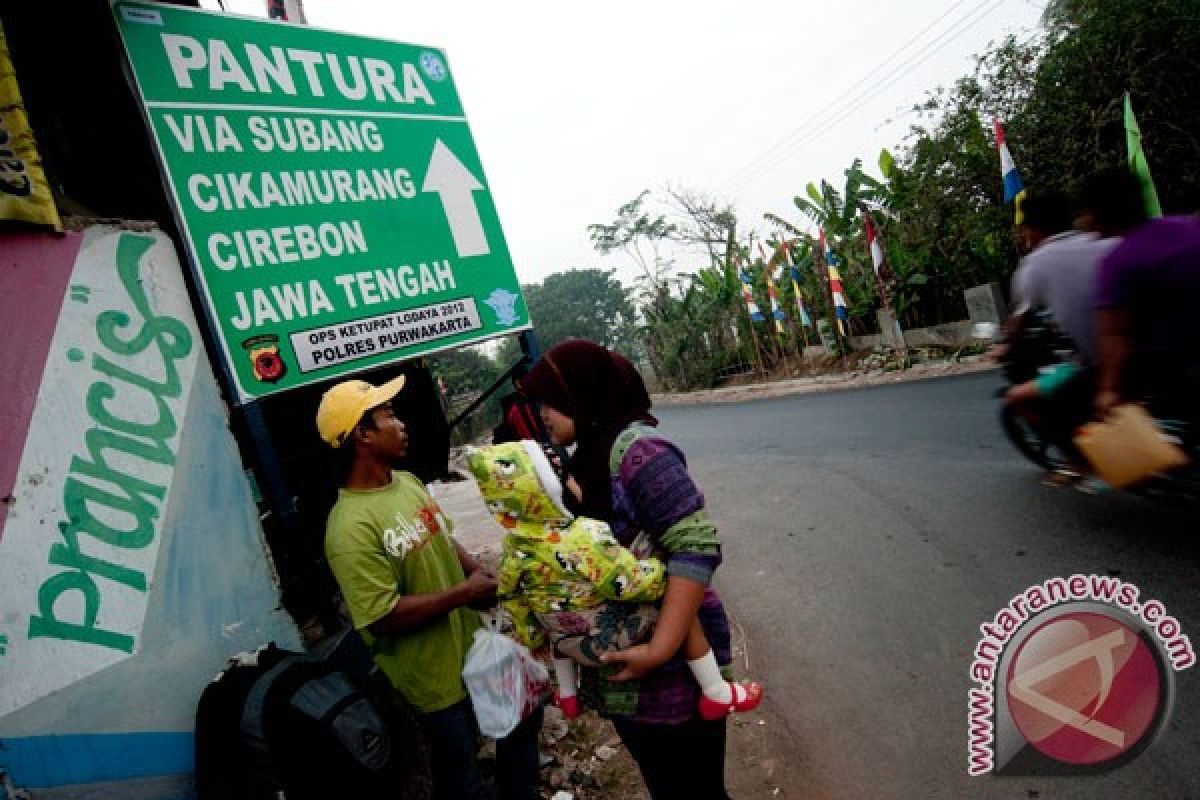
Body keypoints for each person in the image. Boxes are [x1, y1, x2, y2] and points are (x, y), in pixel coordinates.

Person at [519, 340, 737, 800]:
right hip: (626, 671)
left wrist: (659, 649)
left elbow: (696, 546)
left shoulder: (641, 451)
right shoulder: (588, 458)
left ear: (582, 396)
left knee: (695, 790)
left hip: (673, 666)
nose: (542, 414)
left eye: (550, 403)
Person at [316, 377, 543, 800]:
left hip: (472, 648)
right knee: (461, 771)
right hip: (430, 679)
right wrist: (463, 594)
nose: (402, 425)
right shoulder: (348, 528)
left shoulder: (407, 482)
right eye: (389, 417)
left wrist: (481, 574)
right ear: (362, 435)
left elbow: (442, 537)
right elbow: (381, 617)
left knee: (524, 712)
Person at [465, 440, 762, 722]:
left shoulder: (513, 550)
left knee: (554, 616)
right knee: (681, 605)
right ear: (550, 489)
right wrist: (661, 569)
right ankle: (717, 692)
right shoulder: (582, 536)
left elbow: (514, 600)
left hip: (569, 645)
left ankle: (568, 695)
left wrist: (533, 639)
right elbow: (625, 583)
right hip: (608, 641)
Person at [1001, 191, 1119, 471]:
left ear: (1033, 228)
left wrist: (1005, 345)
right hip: (1144, 350)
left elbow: (1019, 319)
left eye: (1024, 229)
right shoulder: (1106, 243)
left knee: (1017, 396)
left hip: (1093, 365)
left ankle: (1077, 461)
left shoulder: (1035, 265)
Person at [1083, 168, 1200, 419]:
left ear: (1101, 213)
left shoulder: (1118, 262)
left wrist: (1108, 390)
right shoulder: (1187, 227)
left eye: (1086, 212)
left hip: (1171, 368)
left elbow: (1116, 337)